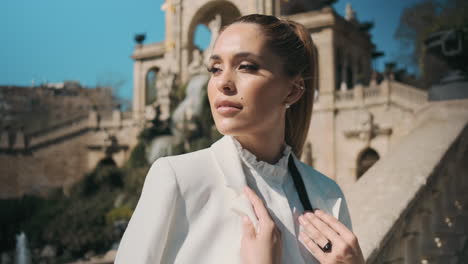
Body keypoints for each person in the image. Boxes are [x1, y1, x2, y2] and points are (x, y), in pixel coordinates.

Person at [115, 14, 364, 264]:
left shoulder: (328, 195)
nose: (223, 82)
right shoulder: (176, 178)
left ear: (292, 90)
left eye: (246, 66)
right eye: (215, 68)